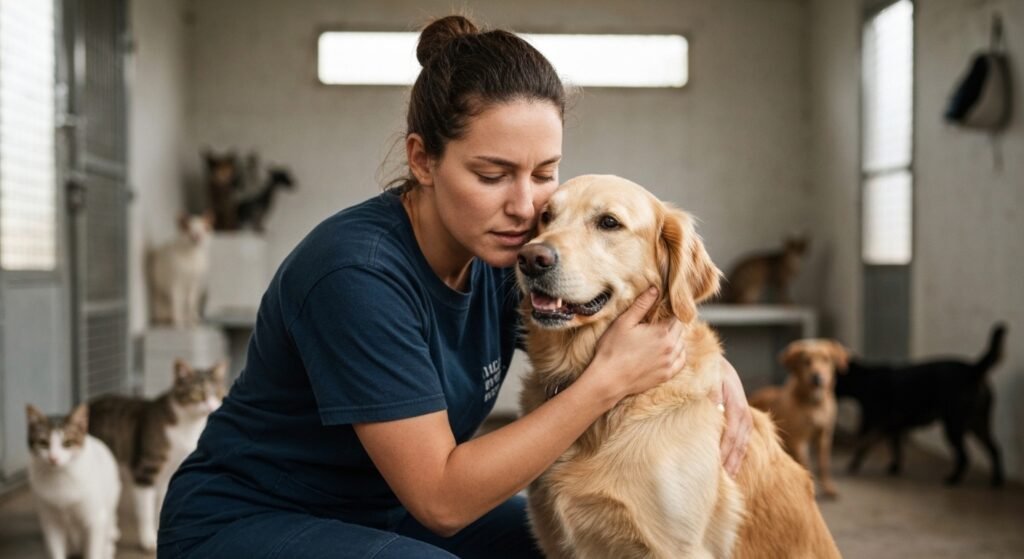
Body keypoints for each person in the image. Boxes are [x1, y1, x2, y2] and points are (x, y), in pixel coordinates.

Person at [158, 15, 753, 559]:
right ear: (422, 160)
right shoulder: (356, 274)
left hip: (380, 511)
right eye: (492, 175)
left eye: (544, 174)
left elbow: (626, 314)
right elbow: (443, 500)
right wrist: (606, 384)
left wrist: (705, 366)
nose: (525, 207)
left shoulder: (502, 253)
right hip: (248, 522)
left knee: (554, 546)